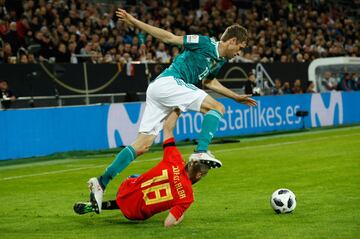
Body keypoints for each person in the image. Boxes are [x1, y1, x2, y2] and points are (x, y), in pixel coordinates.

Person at [88, 8, 257, 213]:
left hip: (163, 92)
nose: (238, 53)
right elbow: (170, 38)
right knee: (217, 108)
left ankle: (101, 182)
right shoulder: (204, 43)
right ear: (231, 41)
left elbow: (210, 81)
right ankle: (201, 150)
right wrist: (134, 21)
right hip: (169, 83)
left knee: (142, 145)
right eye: (239, 47)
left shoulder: (219, 61)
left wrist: (236, 96)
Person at [77, 110, 213, 227]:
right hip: (135, 215)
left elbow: (167, 128)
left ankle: (102, 198)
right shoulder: (188, 197)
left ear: (191, 162)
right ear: (199, 175)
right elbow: (168, 223)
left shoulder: (175, 159)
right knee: (165, 199)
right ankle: (106, 204)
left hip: (125, 191)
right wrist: (179, 217)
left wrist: (179, 107)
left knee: (138, 179)